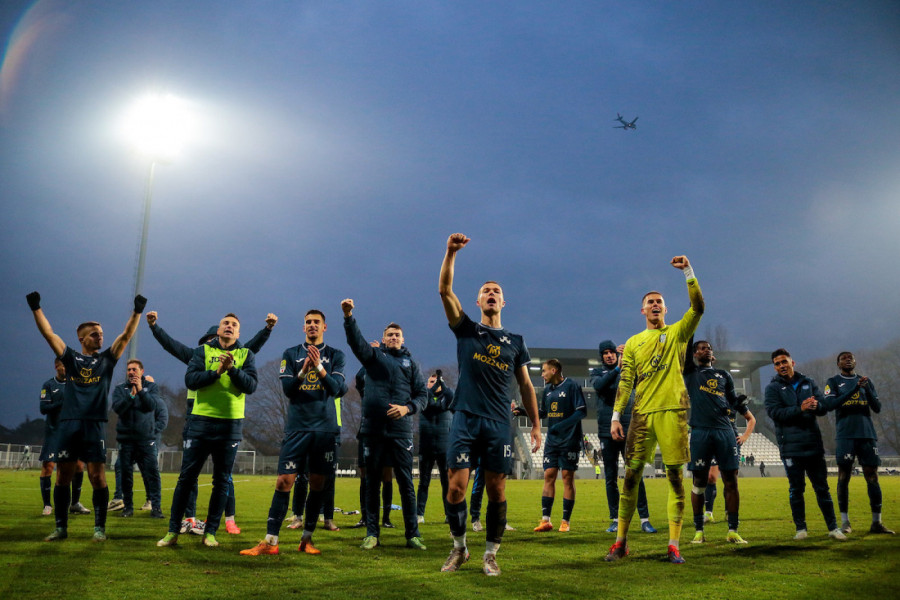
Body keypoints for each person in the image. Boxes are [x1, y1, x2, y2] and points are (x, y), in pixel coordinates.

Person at [438, 233, 541, 576]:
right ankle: (459, 548)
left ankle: (490, 554)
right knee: (456, 487)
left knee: (496, 488)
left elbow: (525, 385)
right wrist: (451, 253)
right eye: (486, 291)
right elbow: (444, 291)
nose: (492, 294)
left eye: (496, 291)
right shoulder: (467, 330)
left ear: (503, 302)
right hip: (465, 417)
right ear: (479, 301)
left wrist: (536, 425)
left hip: (499, 422)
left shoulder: (516, 342)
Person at [604, 256, 703, 565]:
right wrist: (616, 416)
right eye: (650, 302)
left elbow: (698, 308)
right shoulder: (633, 342)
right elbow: (626, 381)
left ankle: (673, 545)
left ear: (666, 309)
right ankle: (621, 542)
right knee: (631, 476)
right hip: (642, 415)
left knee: (675, 478)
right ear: (643, 310)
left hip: (674, 411)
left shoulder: (677, 333)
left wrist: (688, 272)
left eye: (659, 301)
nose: (655, 304)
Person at [27, 291, 145, 542]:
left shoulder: (107, 360)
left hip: (94, 425)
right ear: (82, 338)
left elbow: (126, 335)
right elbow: (49, 334)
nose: (100, 336)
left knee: (97, 476)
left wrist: (137, 311)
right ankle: (61, 528)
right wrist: (36, 308)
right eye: (94, 334)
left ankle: (99, 529)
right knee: (63, 476)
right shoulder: (71, 358)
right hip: (69, 424)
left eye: (101, 333)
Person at [146, 310, 276, 534]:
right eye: (208, 339)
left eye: (212, 338)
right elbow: (171, 345)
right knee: (189, 474)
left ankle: (229, 518)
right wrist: (155, 328)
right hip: (196, 417)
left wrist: (267, 330)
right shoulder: (197, 355)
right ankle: (190, 517)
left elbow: (253, 347)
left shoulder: (238, 354)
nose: (211, 342)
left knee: (224, 477)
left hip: (226, 419)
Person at [241, 309, 348, 556]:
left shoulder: (336, 355)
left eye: (316, 322)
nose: (312, 325)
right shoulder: (291, 354)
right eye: (308, 322)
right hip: (297, 427)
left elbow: (336, 389)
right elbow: (289, 390)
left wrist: (319, 367)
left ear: (324, 327)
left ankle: (307, 539)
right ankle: (270, 541)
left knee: (318, 484)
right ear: (303, 327)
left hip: (324, 429)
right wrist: (303, 371)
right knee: (284, 481)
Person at [343, 299, 427, 550]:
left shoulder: (411, 364)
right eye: (389, 335)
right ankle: (372, 534)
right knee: (372, 483)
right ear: (383, 339)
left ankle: (412, 534)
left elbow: (422, 395)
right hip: (373, 430)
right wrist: (348, 318)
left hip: (401, 431)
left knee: (406, 483)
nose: (393, 337)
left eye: (397, 335)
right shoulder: (374, 358)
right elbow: (356, 343)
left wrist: (407, 408)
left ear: (403, 339)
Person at [764, 349, 845, 541]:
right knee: (796, 489)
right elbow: (775, 413)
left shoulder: (808, 382)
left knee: (822, 488)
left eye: (784, 361)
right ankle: (801, 529)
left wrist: (817, 406)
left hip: (813, 444)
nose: (781, 366)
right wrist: (800, 408)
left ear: (792, 362)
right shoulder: (772, 388)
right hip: (790, 447)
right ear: (775, 368)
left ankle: (833, 528)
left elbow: (824, 406)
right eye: (777, 364)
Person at [683, 340, 756, 544]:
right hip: (700, 431)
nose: (707, 350)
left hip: (725, 431)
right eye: (702, 348)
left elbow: (731, 400)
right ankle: (699, 531)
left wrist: (738, 403)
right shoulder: (690, 372)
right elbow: (686, 344)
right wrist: (692, 322)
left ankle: (733, 530)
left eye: (709, 348)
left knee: (731, 481)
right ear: (695, 354)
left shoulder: (724, 375)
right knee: (699, 482)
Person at [824, 351, 893, 535]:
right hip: (845, 435)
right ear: (838, 364)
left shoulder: (865, 381)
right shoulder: (833, 382)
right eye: (844, 358)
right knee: (843, 476)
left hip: (867, 434)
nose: (848, 359)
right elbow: (830, 405)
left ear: (855, 362)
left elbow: (877, 408)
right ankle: (845, 523)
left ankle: (876, 523)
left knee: (872, 476)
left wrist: (866, 389)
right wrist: (854, 389)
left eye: (851, 358)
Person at [591, 340, 656, 534]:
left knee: (635, 474)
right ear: (601, 356)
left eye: (612, 352)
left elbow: (645, 378)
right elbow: (600, 386)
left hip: (628, 428)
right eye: (605, 353)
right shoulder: (597, 373)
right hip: (606, 431)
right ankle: (615, 519)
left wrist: (630, 356)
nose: (609, 355)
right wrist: (618, 369)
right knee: (610, 477)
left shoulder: (629, 370)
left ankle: (644, 519)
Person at [527, 359, 586, 533]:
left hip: (569, 440)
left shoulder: (572, 386)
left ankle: (565, 521)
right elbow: (543, 413)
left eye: (544, 371)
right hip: (552, 441)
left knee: (567, 477)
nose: (542, 374)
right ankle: (546, 520)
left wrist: (562, 426)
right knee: (549, 475)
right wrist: (524, 412)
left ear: (553, 371)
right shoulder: (547, 390)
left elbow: (581, 411)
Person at [111, 359, 165, 519]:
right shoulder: (120, 389)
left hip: (146, 439)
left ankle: (156, 508)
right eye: (129, 370)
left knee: (152, 473)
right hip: (126, 439)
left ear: (142, 371)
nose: (131, 372)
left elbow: (151, 405)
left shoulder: (152, 387)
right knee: (126, 474)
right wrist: (131, 396)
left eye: (134, 369)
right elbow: (118, 408)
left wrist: (140, 390)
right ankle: (128, 508)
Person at [38, 359, 91, 516]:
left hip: (72, 433)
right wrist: (62, 403)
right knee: (48, 466)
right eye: (64, 366)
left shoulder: (75, 384)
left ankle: (74, 503)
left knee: (79, 466)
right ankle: (47, 505)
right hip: (54, 433)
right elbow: (43, 408)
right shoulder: (49, 385)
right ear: (57, 366)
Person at [416, 370, 454, 524]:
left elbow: (450, 395)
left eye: (433, 382)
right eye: (429, 382)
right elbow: (427, 398)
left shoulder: (448, 397)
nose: (429, 384)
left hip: (445, 447)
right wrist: (435, 386)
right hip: (426, 446)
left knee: (446, 483)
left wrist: (441, 383)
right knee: (424, 482)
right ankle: (419, 514)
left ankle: (449, 514)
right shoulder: (424, 397)